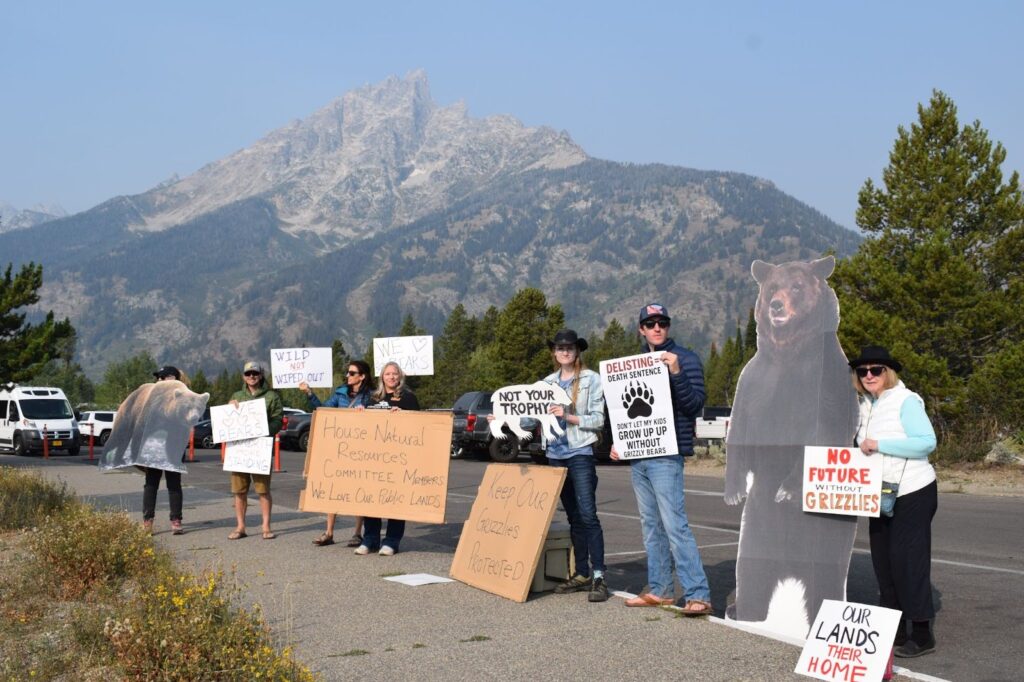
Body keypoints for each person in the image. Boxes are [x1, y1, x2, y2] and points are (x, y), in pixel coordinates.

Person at [611, 303, 712, 615]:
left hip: (667, 454)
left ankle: (698, 594)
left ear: (668, 327)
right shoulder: (634, 364)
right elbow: (621, 411)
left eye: (662, 323)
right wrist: (620, 441)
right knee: (650, 526)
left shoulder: (686, 359)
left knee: (674, 525)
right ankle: (660, 589)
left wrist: (676, 372)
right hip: (639, 453)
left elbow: (695, 405)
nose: (657, 328)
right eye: (650, 323)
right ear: (641, 329)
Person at [850, 346, 938, 658]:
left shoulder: (905, 400)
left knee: (907, 560)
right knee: (883, 563)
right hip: (878, 493)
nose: (869, 375)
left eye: (876, 369)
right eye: (863, 371)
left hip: (913, 490)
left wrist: (880, 444)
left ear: (889, 372)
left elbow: (927, 442)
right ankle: (894, 628)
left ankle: (922, 631)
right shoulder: (863, 405)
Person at [542, 329, 609, 602]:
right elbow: (532, 418)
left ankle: (599, 576)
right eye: (560, 347)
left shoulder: (592, 380)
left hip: (579, 452)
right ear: (555, 352)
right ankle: (581, 573)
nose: (565, 351)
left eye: (569, 347)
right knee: (573, 517)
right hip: (554, 455)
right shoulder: (546, 382)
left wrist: (568, 415)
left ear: (577, 351)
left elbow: (598, 419)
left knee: (588, 515)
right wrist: (501, 420)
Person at [300, 359, 373, 547]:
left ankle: (357, 533)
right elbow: (323, 410)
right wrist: (309, 393)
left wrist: (366, 413)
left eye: (352, 373)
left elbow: (377, 417)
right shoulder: (340, 393)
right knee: (333, 488)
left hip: (361, 450)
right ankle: (329, 532)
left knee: (359, 490)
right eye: (347, 373)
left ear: (362, 376)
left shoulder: (371, 396)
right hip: (339, 449)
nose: (347, 376)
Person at [354, 361, 420, 556]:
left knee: (395, 500)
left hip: (399, 459)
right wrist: (360, 414)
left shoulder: (408, 398)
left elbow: (420, 427)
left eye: (395, 374)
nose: (391, 377)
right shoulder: (373, 398)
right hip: (374, 458)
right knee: (371, 499)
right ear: (382, 377)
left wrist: (405, 416)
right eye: (387, 374)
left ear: (400, 377)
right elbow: (364, 428)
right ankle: (370, 539)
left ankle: (391, 541)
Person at [228, 360, 283, 540]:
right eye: (248, 374)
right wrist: (229, 409)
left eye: (255, 373)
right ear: (243, 377)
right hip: (240, 450)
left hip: (261, 449)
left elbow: (278, 419)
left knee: (262, 490)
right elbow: (228, 421)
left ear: (261, 375)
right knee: (239, 491)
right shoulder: (236, 395)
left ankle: (266, 527)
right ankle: (240, 527)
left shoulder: (272, 397)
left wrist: (264, 429)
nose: (252, 376)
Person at [141, 365, 187, 535]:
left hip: (174, 446)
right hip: (154, 446)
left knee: (174, 484)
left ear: (171, 379)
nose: (158, 380)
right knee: (151, 484)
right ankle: (148, 521)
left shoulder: (182, 396)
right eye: (158, 378)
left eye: (161, 377)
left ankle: (176, 520)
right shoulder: (151, 397)